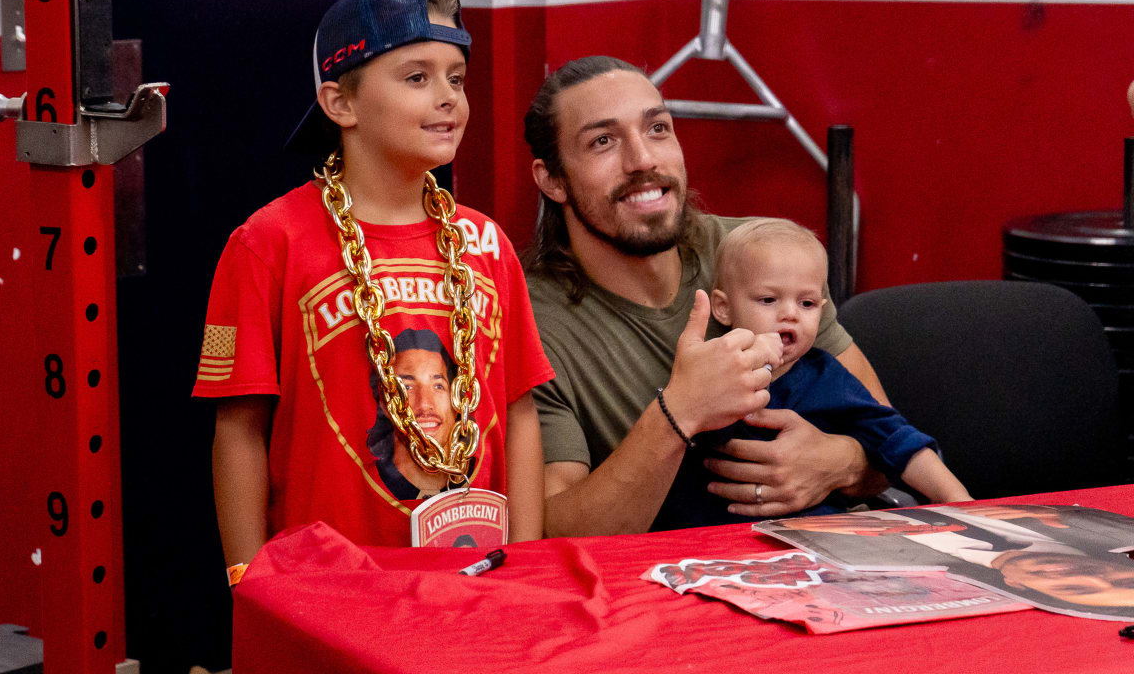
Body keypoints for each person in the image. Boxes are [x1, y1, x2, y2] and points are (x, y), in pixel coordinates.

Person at [196, 0, 554, 585]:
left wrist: (524, 564)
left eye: (457, 78)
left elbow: (520, 415)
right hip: (329, 586)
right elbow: (238, 430)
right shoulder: (266, 242)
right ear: (340, 104)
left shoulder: (488, 244)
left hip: (476, 578)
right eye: (417, 78)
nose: (449, 98)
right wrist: (247, 580)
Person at [522, 55, 893, 537]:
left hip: (831, 559)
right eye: (603, 142)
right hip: (666, 585)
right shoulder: (528, 320)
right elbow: (554, 534)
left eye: (658, 129)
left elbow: (892, 442)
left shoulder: (762, 257)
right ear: (552, 180)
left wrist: (838, 463)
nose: (643, 160)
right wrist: (679, 413)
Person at [657, 219, 970, 528]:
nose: (790, 314)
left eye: (806, 303)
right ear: (723, 308)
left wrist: (961, 502)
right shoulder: (706, 372)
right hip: (703, 545)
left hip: (813, 543)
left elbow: (898, 440)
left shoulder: (827, 378)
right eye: (768, 300)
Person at [772, 506, 1134, 611]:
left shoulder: (892, 564)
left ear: (1016, 586)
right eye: (1123, 581)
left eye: (1072, 587)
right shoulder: (1085, 523)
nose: (1094, 574)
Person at [365, 328, 459, 499]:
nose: (425, 404)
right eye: (406, 387)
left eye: (438, 386)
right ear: (385, 403)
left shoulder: (478, 479)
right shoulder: (364, 489)